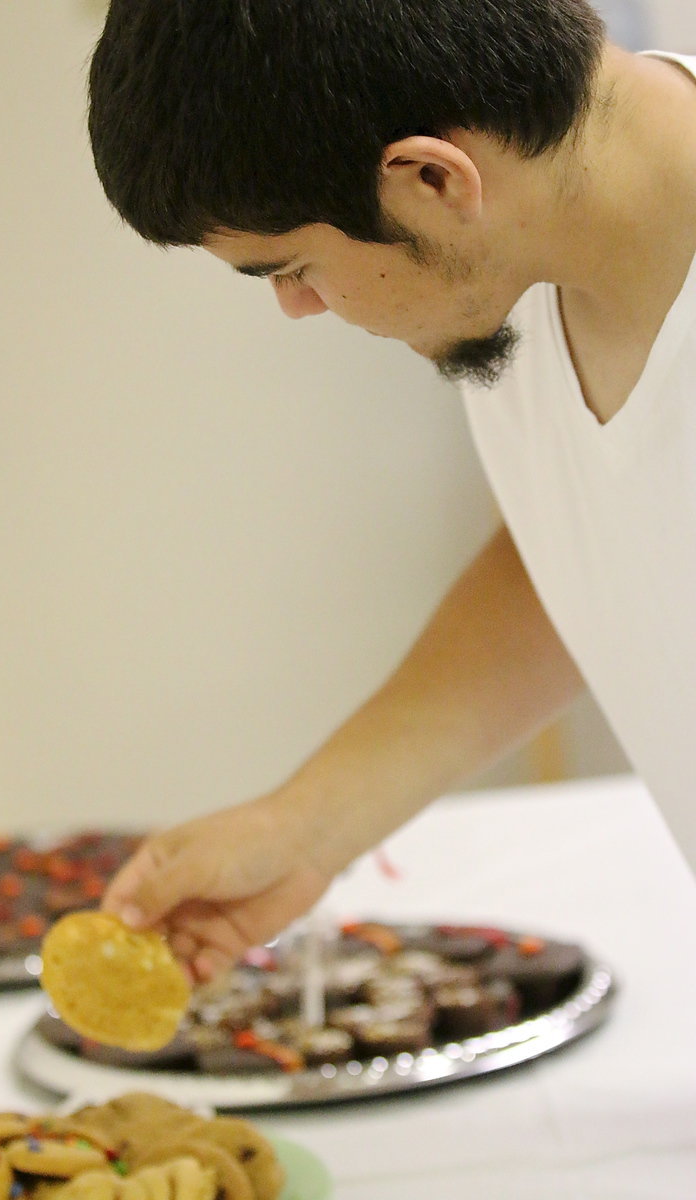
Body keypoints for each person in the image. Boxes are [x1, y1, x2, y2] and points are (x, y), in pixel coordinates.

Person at [86, 0, 696, 984]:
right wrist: (304, 828)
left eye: (287, 267)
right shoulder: (521, 261)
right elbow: (593, 539)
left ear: (427, 178)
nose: (296, 307)